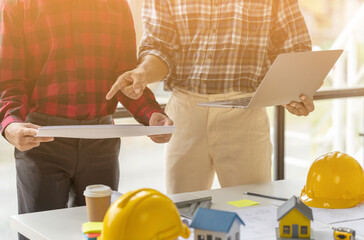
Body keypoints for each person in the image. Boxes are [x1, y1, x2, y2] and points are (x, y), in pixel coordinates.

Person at [0, 0, 173, 238]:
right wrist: (10, 125)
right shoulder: (18, 5)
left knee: (104, 232)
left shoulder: (116, 5)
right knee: (39, 234)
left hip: (100, 142)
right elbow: (11, 80)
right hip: (42, 141)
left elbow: (124, 76)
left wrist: (152, 114)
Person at [106, 0, 314, 194]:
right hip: (185, 112)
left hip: (244, 112)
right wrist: (143, 73)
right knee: (183, 212)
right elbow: (159, 47)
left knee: (253, 208)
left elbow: (295, 46)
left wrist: (296, 92)